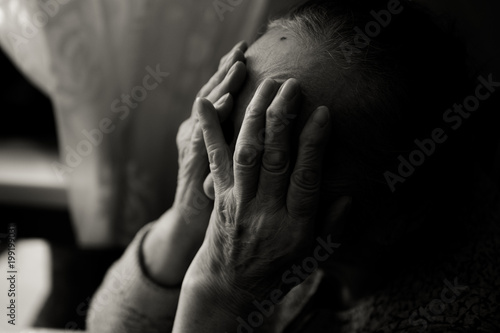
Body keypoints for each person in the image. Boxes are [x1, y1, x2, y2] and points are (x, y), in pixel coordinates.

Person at [87, 0, 500, 332]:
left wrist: (221, 294)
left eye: (274, 157)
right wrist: (185, 220)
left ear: (408, 202)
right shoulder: (251, 224)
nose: (223, 181)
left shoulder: (466, 309)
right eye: (230, 128)